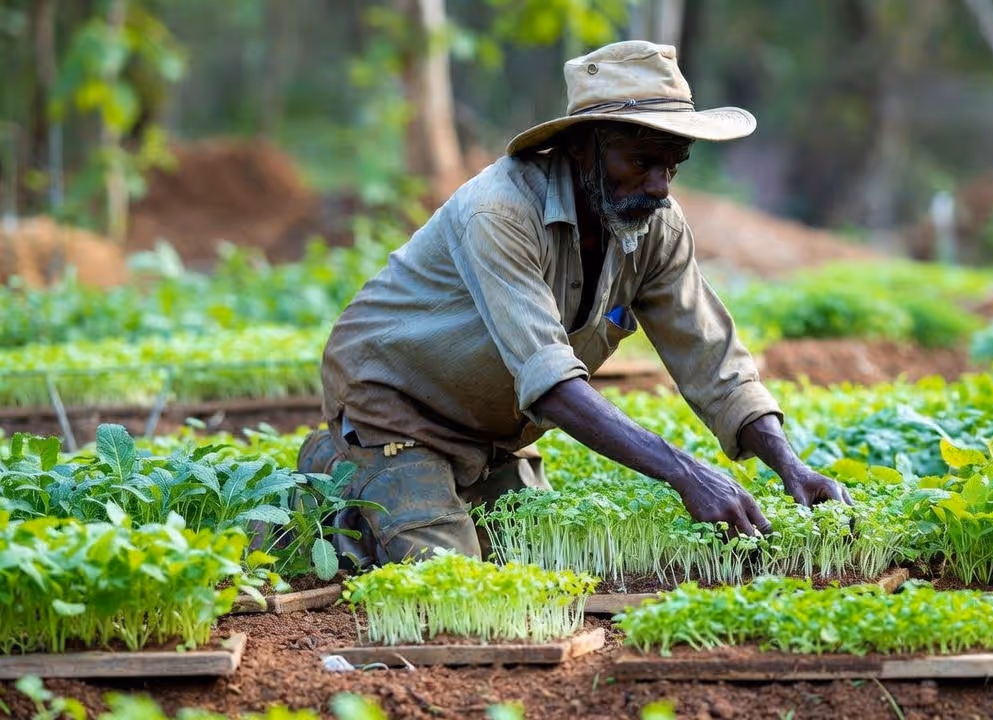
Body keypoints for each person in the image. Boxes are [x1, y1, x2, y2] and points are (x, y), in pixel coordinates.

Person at [298, 40, 852, 568]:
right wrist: (686, 472)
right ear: (583, 144)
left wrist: (790, 465)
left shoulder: (653, 222)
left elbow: (712, 359)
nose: (660, 186)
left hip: (491, 429)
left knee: (539, 552)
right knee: (449, 573)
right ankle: (336, 476)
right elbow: (552, 384)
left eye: (673, 164)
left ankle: (433, 481)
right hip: (396, 406)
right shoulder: (500, 211)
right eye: (641, 161)